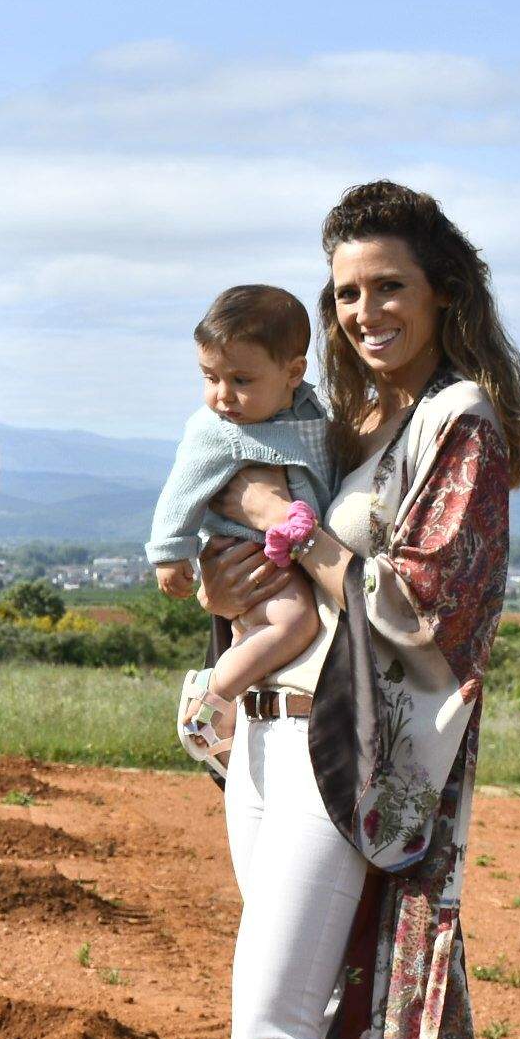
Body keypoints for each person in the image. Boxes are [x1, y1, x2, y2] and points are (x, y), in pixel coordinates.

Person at [197, 180, 520, 1039]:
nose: (363, 310)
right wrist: (244, 577)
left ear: (443, 287)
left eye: (386, 285)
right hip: (273, 746)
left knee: (269, 1033)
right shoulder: (363, 417)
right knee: (322, 1027)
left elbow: (424, 613)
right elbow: (294, 577)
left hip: (350, 776)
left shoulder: (463, 424)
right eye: (345, 293)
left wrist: (288, 526)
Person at [142, 285, 334, 767]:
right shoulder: (216, 430)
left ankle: (231, 722)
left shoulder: (313, 414)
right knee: (295, 622)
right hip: (252, 557)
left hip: (290, 558)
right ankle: (210, 698)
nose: (223, 396)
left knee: (260, 638)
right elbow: (181, 490)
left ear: (293, 373)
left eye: (241, 380)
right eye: (210, 378)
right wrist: (170, 554)